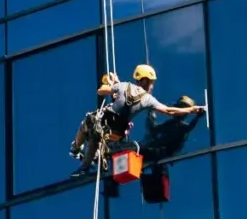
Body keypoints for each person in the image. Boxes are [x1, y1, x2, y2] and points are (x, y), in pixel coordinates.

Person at [73, 63, 204, 171]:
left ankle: (77, 149)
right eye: (151, 83)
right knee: (96, 133)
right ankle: (89, 157)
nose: (152, 86)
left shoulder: (123, 86)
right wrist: (191, 110)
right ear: (144, 80)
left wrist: (111, 84)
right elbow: (169, 111)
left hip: (106, 124)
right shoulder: (148, 99)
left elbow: (101, 91)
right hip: (116, 131)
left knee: (89, 123)